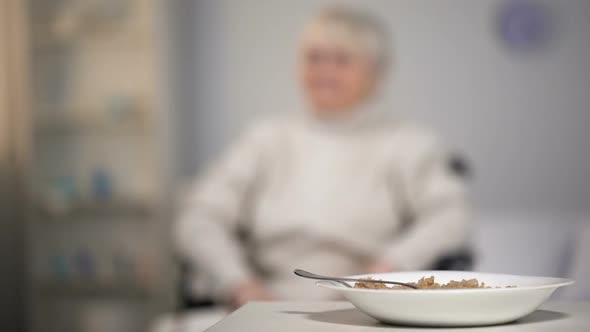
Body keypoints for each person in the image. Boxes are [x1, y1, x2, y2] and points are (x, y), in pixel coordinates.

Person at [175, 5, 470, 308]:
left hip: (366, 304)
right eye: (314, 58)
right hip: (264, 301)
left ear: (377, 72)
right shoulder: (265, 138)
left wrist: (384, 271)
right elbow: (200, 217)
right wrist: (237, 283)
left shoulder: (408, 143)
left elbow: (450, 217)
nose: (324, 72)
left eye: (342, 60)